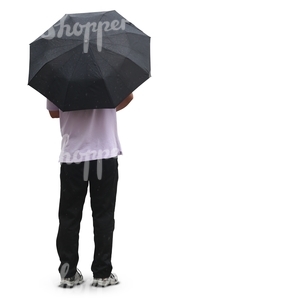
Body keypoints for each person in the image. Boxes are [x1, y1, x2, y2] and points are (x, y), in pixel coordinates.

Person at [47, 93, 133, 288]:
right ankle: (102, 273)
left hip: (73, 157)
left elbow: (53, 113)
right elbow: (129, 97)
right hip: (104, 154)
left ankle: (68, 273)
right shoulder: (108, 72)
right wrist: (106, 108)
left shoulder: (60, 73)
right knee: (103, 214)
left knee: (69, 216)